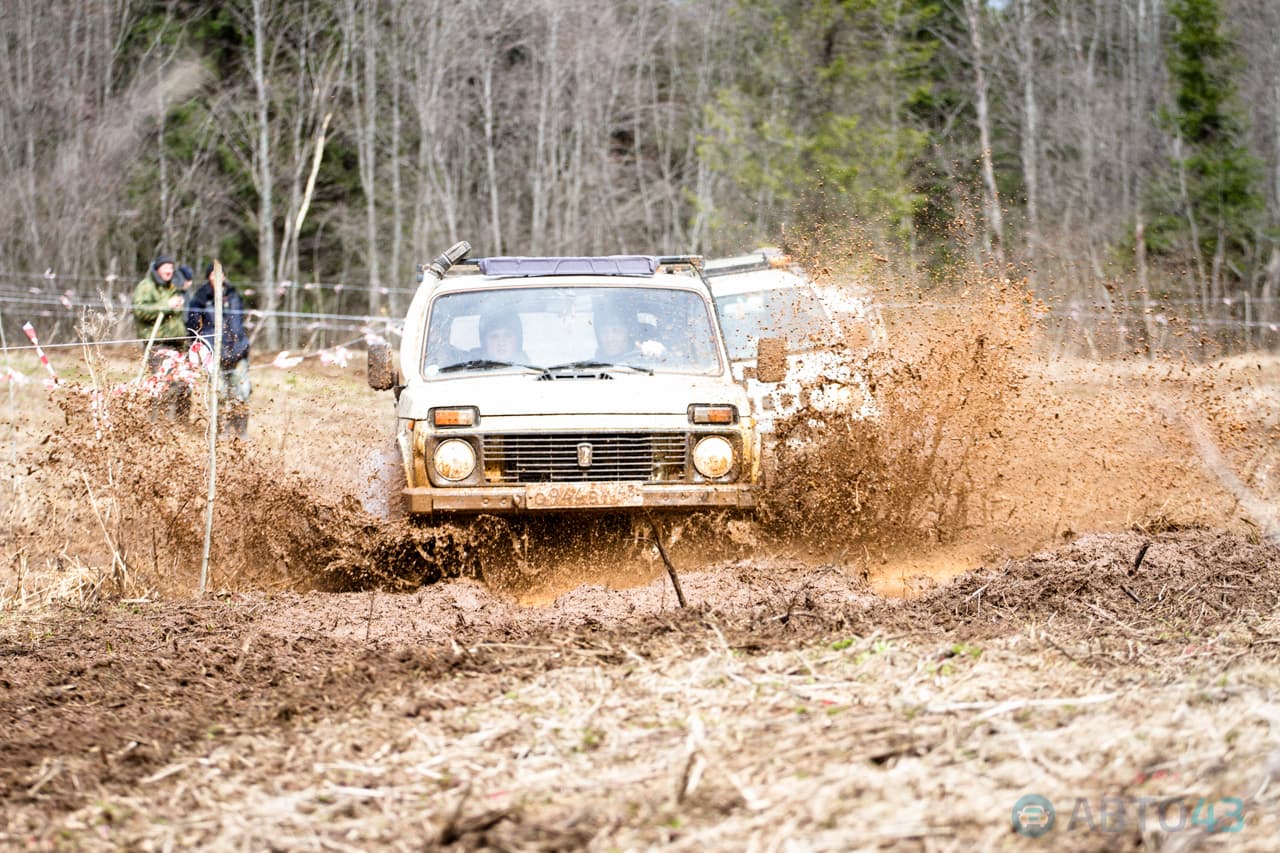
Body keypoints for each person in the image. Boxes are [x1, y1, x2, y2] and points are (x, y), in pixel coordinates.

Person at [186, 264, 252, 438]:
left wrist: (242, 344)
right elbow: (192, 327)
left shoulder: (234, 295)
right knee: (219, 394)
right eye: (213, 274)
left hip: (238, 352)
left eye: (220, 274)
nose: (217, 277)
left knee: (242, 393)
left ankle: (240, 432)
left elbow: (239, 322)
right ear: (208, 277)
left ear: (224, 276)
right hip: (214, 355)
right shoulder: (200, 299)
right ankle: (221, 431)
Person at [133, 253, 194, 418]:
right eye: (165, 267)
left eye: (171, 267)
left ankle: (181, 424)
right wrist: (165, 305)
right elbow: (140, 311)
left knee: (184, 383)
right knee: (164, 383)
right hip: (158, 343)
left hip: (178, 344)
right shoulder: (146, 286)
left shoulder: (173, 288)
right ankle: (159, 424)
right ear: (157, 269)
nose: (169, 270)